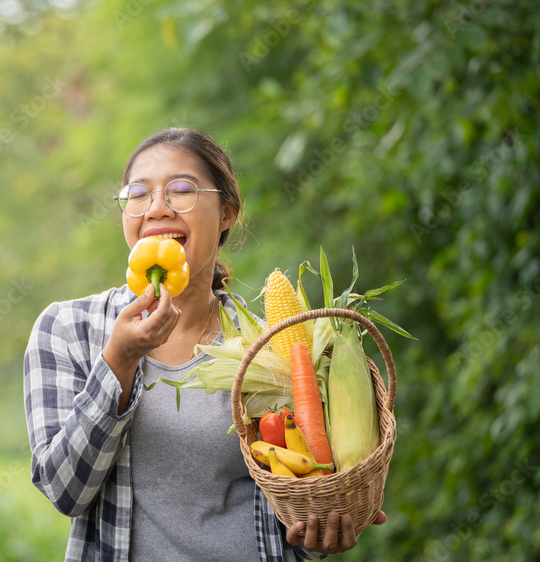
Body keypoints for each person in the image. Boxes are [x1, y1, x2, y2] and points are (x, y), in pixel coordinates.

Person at [23, 127, 385, 561]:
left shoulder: (266, 344)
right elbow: (65, 491)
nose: (157, 207)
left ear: (227, 212)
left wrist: (316, 530)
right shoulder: (66, 329)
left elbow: (298, 485)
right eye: (138, 194)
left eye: (181, 190)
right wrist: (118, 360)